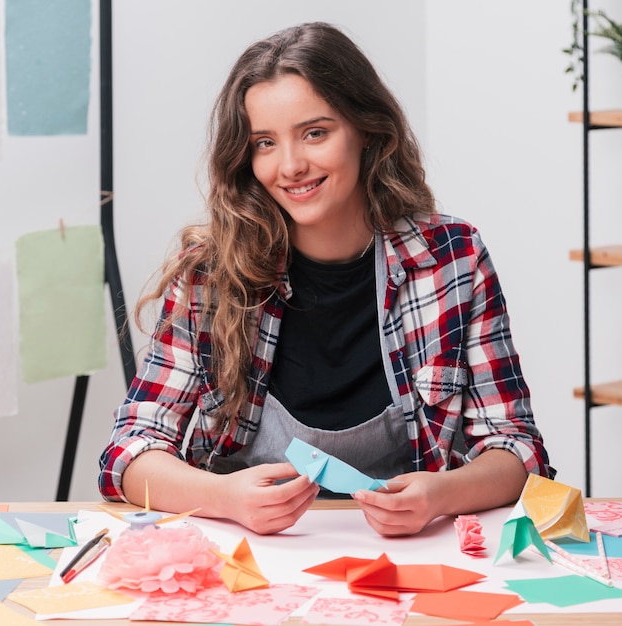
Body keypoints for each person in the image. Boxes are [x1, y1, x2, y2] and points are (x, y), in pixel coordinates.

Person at [99, 21, 554, 537]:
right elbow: (128, 453)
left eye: (315, 133)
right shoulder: (210, 272)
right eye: (264, 143)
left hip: (416, 559)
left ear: (365, 130)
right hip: (251, 560)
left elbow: (518, 449)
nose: (290, 166)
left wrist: (440, 494)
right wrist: (223, 496)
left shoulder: (452, 257)